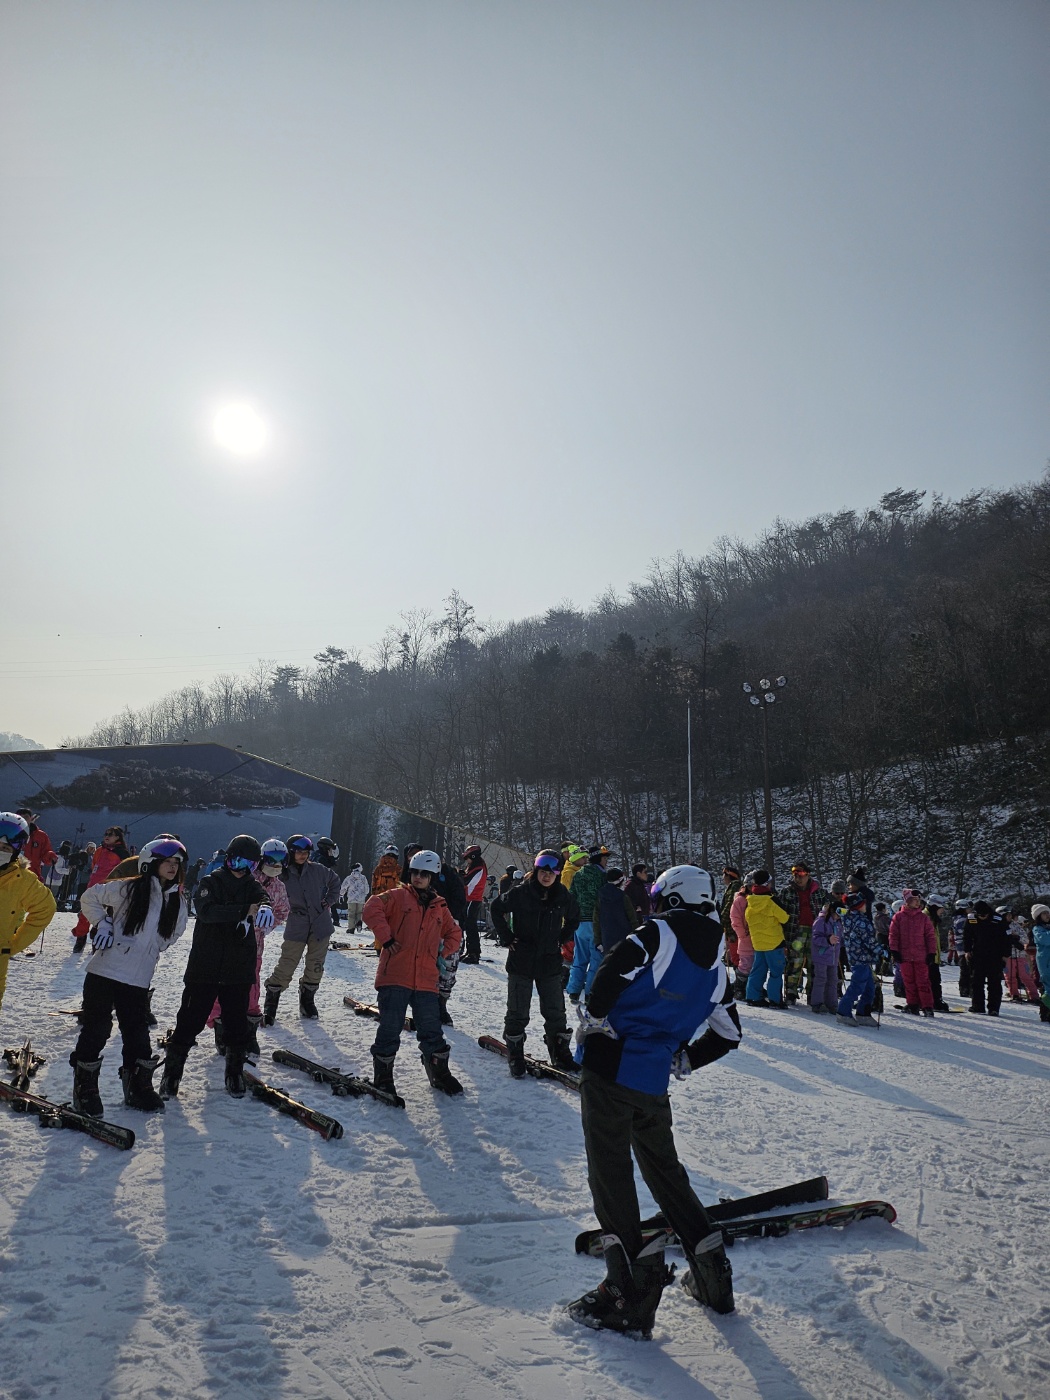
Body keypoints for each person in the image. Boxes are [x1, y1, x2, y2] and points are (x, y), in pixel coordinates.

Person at [569, 864, 740, 1338]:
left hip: (609, 1069)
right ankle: (712, 1274)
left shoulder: (658, 934)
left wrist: (594, 1017)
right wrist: (684, 1059)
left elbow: (613, 969)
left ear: (672, 897)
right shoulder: (718, 966)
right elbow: (730, 1036)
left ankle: (630, 1291)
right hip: (652, 1084)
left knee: (611, 1174)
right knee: (666, 1173)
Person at [70, 837, 189, 1115]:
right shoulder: (127, 888)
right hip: (105, 971)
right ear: (151, 863)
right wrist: (103, 923)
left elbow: (174, 934)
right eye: (167, 862)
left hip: (138, 977)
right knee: (97, 1029)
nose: (172, 867)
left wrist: (151, 949)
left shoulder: (178, 901)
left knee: (136, 1033)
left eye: (176, 863)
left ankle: (138, 1086)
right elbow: (89, 898)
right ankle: (85, 1088)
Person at [160, 835, 273, 1099]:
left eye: (247, 863)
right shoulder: (211, 882)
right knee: (189, 1021)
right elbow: (207, 912)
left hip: (238, 970)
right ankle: (172, 1075)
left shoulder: (253, 886)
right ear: (227, 857)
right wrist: (246, 910)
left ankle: (234, 1073)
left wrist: (264, 908)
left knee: (236, 1025)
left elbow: (264, 900)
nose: (240, 867)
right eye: (235, 860)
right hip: (205, 967)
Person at [361, 849, 465, 1098]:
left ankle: (439, 1071)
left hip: (426, 980)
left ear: (432, 877)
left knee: (431, 1028)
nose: (418, 878)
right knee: (390, 1027)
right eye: (415, 873)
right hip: (395, 975)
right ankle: (383, 1076)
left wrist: (441, 952)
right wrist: (386, 939)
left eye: (424, 874)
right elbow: (371, 908)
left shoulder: (439, 907)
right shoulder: (397, 896)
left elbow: (455, 934)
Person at [490, 850, 579, 1074]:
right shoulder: (520, 892)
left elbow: (574, 917)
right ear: (537, 870)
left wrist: (562, 937)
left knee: (555, 1011)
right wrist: (507, 937)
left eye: (552, 871)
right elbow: (496, 908)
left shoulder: (562, 895)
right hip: (522, 959)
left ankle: (560, 1053)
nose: (547, 875)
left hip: (549, 961)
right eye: (543, 870)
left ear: (558, 873)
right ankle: (516, 1053)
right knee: (518, 1011)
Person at [210, 838, 290, 1054]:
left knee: (251, 990)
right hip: (230, 945)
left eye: (280, 861)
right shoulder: (247, 878)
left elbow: (283, 910)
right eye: (271, 860)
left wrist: (266, 926)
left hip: (255, 947)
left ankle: (249, 1032)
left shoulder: (279, 887)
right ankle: (222, 1031)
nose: (276, 865)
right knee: (224, 988)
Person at [263, 834, 340, 1023]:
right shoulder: (282, 873)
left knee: (315, 966)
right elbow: (266, 887)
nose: (303, 855)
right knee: (287, 964)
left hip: (320, 925)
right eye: (299, 852)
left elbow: (335, 882)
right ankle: (271, 1003)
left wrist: (328, 902)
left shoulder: (317, 870)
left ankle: (307, 1001)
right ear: (290, 852)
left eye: (306, 852)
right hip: (297, 925)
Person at [0, 814, 56, 1018]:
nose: (0, 851)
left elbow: (45, 909)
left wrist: (13, 945)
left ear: (16, 851)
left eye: (5, 849)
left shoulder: (23, 880)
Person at [71, 827, 131, 949]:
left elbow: (126, 871)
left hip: (110, 888)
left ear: (118, 837)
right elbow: (94, 867)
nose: (107, 836)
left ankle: (97, 938)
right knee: (85, 914)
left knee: (104, 915)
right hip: (93, 886)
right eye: (106, 834)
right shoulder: (100, 850)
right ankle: (80, 938)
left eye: (111, 834)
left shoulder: (122, 853)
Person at [566, 847, 609, 1004]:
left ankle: (573, 990)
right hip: (596, 922)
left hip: (580, 922)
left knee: (579, 957)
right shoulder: (602, 876)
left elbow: (572, 896)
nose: (606, 862)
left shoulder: (578, 874)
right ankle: (590, 992)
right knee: (596, 958)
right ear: (598, 859)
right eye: (605, 859)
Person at [837, 872, 881, 1026]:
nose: (867, 906)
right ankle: (843, 1011)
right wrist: (882, 951)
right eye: (864, 904)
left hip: (861, 956)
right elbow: (870, 941)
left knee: (869, 985)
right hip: (860, 956)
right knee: (858, 984)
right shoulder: (861, 922)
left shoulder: (851, 917)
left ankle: (863, 1012)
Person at [780, 861, 824, 1005]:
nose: (797, 878)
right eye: (795, 875)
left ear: (808, 875)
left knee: (813, 964)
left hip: (815, 932)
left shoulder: (818, 892)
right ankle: (791, 993)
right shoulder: (787, 891)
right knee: (795, 963)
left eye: (801, 875)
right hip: (795, 931)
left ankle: (812, 993)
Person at [744, 870, 789, 1007]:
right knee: (776, 972)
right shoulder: (771, 901)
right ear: (767, 884)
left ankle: (752, 997)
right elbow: (785, 917)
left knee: (758, 970)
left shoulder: (750, 901)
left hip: (758, 943)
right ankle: (775, 1000)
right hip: (774, 943)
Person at [888, 890, 937, 1017]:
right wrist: (894, 950)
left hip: (921, 956)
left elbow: (930, 937)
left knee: (923, 981)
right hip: (905, 956)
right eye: (914, 900)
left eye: (918, 900)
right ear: (907, 901)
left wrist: (932, 952)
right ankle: (913, 1004)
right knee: (908, 982)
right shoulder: (898, 917)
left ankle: (927, 1006)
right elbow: (893, 935)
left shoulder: (923, 918)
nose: (917, 902)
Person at [964, 901, 1010, 1016]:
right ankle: (977, 1006)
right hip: (977, 954)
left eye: (984, 915)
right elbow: (967, 935)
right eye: (980, 915)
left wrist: (1006, 955)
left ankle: (994, 1008)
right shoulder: (971, 919)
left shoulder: (998, 919)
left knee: (994, 983)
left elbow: (1007, 938)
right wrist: (967, 950)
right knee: (976, 982)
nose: (982, 917)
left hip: (996, 955)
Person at [593, 867, 641, 955]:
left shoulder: (600, 897)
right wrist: (637, 935)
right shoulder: (623, 896)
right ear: (619, 881)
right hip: (625, 939)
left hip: (606, 940)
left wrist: (598, 941)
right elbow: (632, 919)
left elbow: (596, 921)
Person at [809, 897, 843, 1014]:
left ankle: (832, 1003)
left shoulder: (838, 923)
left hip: (833, 957)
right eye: (839, 912)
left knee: (833, 980)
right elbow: (815, 938)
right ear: (832, 911)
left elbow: (840, 939)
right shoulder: (821, 921)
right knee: (821, 979)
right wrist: (828, 940)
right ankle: (817, 1003)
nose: (840, 916)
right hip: (821, 956)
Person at [460, 844, 488, 964]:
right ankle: (470, 950)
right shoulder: (474, 866)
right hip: (470, 898)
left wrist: (459, 876)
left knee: (471, 925)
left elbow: (466, 881)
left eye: (468, 858)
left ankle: (474, 953)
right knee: (468, 925)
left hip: (473, 898)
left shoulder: (478, 867)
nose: (467, 861)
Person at [728, 877, 753, 999]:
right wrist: (742, 934)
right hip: (745, 939)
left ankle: (751, 987)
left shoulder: (757, 899)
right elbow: (735, 919)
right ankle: (739, 988)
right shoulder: (740, 900)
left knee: (755, 965)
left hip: (757, 939)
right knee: (745, 965)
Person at [15, 809, 55, 881]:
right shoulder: (9, 833)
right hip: (12, 877)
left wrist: (51, 857)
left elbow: (46, 853)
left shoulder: (41, 836)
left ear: (31, 818)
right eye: (20, 817)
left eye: (26, 817)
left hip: (32, 876)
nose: (23, 819)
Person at [314, 837, 342, 925]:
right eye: (331, 849)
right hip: (317, 898)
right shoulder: (322, 861)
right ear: (326, 849)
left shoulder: (315, 856)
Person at [1030, 904, 1050, 1023]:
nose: (1047, 915)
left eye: (1048, 913)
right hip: (1045, 962)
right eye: (1044, 913)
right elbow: (1045, 940)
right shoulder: (1037, 929)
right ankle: (1045, 1013)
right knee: (1047, 988)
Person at [339, 863, 370, 932]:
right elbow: (367, 888)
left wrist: (341, 894)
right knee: (359, 912)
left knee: (351, 913)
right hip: (361, 899)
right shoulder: (363, 878)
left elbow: (344, 887)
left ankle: (351, 928)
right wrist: (365, 894)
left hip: (351, 898)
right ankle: (359, 923)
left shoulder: (349, 878)